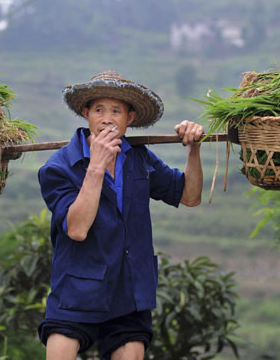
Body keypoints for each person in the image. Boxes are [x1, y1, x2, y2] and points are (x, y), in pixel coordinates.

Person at [37, 70, 204, 360]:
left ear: (130, 118)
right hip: (77, 289)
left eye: (116, 111)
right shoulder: (59, 167)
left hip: (129, 291)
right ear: (85, 113)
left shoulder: (140, 159)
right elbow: (76, 229)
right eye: (99, 109)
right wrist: (97, 166)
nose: (107, 118)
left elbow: (189, 196)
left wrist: (193, 149)